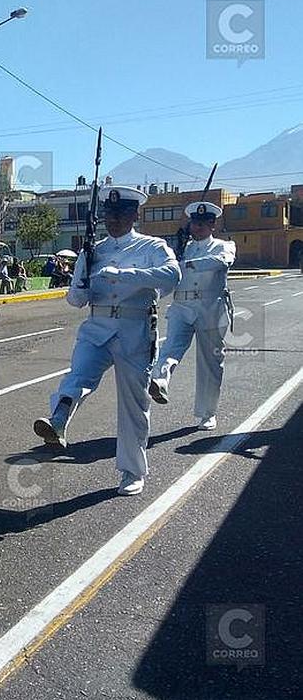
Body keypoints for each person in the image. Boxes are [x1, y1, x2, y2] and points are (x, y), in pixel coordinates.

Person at [32, 186, 180, 497]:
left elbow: (172, 275)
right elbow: (76, 299)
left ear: (134, 215)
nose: (113, 220)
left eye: (120, 214)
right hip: (97, 325)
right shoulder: (93, 250)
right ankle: (58, 422)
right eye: (109, 214)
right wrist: (79, 284)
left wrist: (125, 275)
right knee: (78, 376)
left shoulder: (152, 246)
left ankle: (132, 471)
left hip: (134, 328)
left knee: (133, 404)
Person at [149, 201, 236, 431]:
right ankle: (160, 381)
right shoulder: (181, 247)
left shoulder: (223, 246)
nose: (197, 227)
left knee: (211, 363)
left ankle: (208, 413)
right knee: (171, 348)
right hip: (182, 306)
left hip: (211, 307)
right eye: (194, 223)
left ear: (212, 225)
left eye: (202, 223)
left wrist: (186, 264)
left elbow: (222, 261)